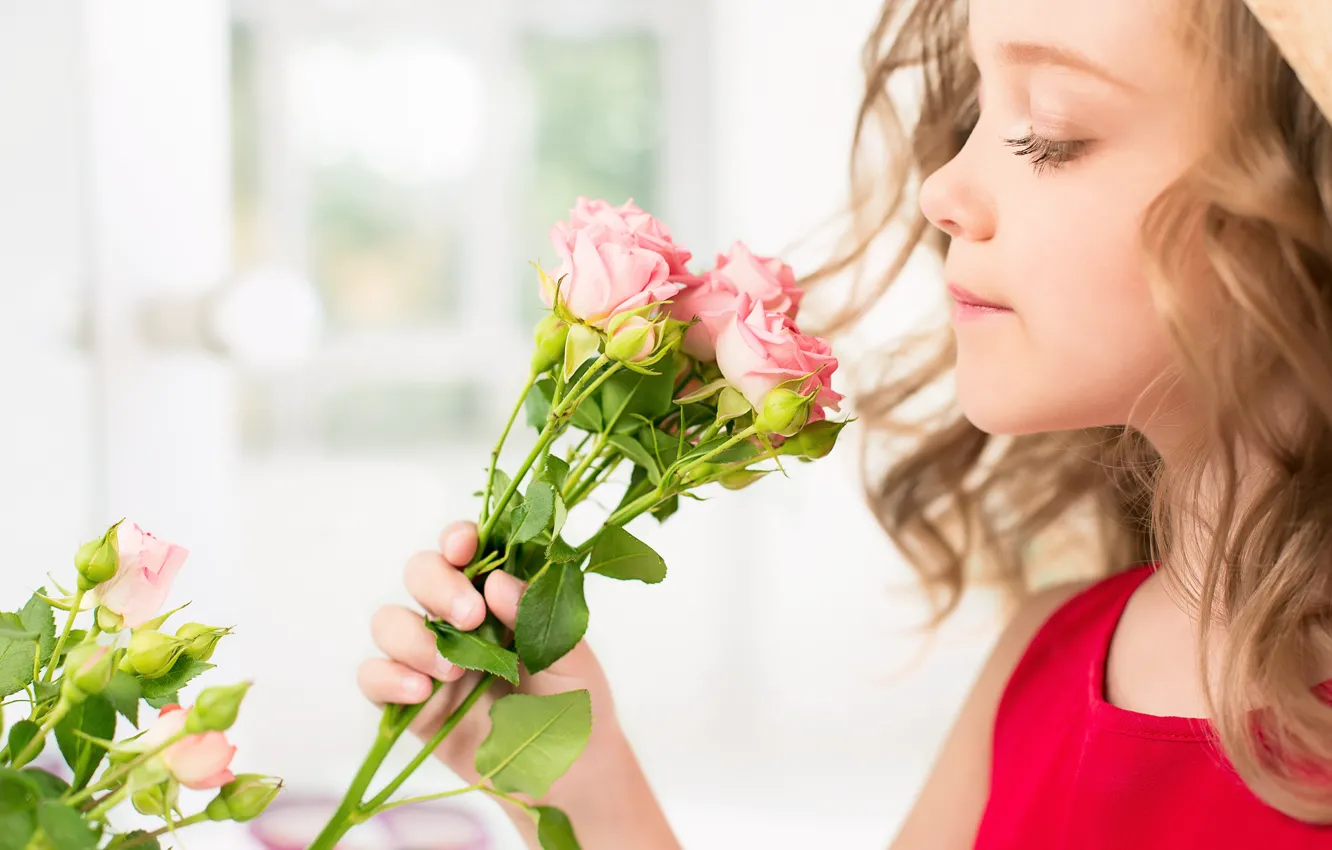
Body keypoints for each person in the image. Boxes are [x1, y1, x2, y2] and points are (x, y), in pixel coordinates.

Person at [356, 0, 1332, 846]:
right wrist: (581, 785)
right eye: (974, 111)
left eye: (1047, 129)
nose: (939, 186)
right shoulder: (1038, 670)